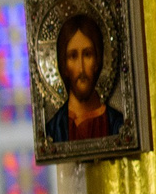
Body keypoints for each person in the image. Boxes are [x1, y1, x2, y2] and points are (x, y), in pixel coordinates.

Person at [44, 11, 128, 144]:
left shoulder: (118, 126)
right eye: (73, 56)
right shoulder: (52, 131)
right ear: (64, 65)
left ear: (98, 61)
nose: (81, 69)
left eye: (88, 54)